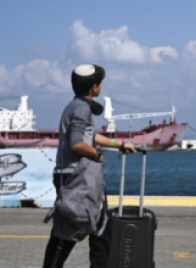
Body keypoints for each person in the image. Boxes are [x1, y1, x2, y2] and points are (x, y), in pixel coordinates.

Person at [43, 64, 136, 268]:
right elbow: (77, 143)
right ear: (94, 87)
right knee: (67, 232)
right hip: (76, 178)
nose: (101, 87)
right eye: (100, 83)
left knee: (101, 228)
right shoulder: (81, 109)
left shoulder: (77, 106)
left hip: (82, 178)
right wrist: (96, 155)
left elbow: (90, 135)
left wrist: (119, 144)